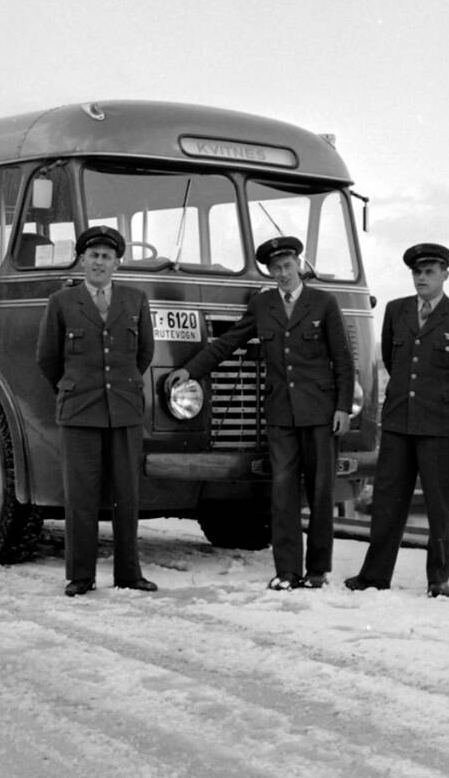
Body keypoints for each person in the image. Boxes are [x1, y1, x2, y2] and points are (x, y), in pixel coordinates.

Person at [167, 236, 353, 591]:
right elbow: (228, 342)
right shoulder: (263, 304)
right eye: (275, 269)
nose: (282, 274)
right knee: (282, 492)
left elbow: (343, 360)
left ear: (299, 264)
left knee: (320, 492)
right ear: (269, 271)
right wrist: (191, 370)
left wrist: (343, 407)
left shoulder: (324, 303)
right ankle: (286, 571)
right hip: (282, 413)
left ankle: (317, 570)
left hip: (321, 412)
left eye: (287, 266)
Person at [345, 244, 449, 598]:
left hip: (441, 425)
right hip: (398, 423)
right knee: (388, 501)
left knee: (440, 505)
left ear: (444, 276)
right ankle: (375, 575)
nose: (422, 278)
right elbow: (395, 363)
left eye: (430, 272)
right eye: (417, 272)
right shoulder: (396, 311)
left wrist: (441, 400)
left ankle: (438, 578)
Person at [36, 226, 158, 597]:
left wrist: (121, 386)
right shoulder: (62, 302)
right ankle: (80, 576)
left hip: (124, 410)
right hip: (80, 411)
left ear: (117, 264)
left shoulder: (135, 300)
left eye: (107, 257)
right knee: (81, 496)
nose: (99, 263)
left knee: (127, 495)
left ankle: (128, 574)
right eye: (93, 256)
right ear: (82, 260)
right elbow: (48, 358)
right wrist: (75, 386)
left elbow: (144, 355)